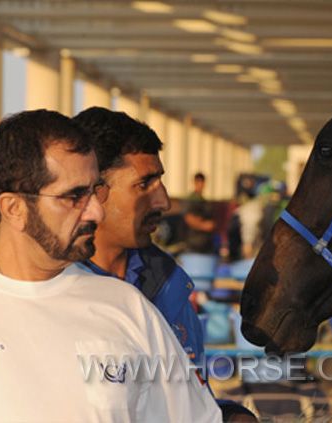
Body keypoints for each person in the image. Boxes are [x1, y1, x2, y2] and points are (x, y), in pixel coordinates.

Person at [0, 110, 221, 422]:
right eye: (74, 196)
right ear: (14, 208)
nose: (96, 212)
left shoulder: (128, 307)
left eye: (94, 191)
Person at [73, 107, 256, 422]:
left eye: (160, 182)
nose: (164, 202)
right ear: (94, 191)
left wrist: (229, 416)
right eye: (144, 184)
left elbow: (188, 403)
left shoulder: (169, 283)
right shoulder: (52, 292)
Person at [184, 172, 216, 254]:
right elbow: (189, 219)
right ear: (194, 182)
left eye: (202, 182)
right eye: (198, 182)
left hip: (206, 245)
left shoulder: (204, 201)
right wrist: (204, 226)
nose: (200, 184)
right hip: (193, 244)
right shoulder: (191, 200)